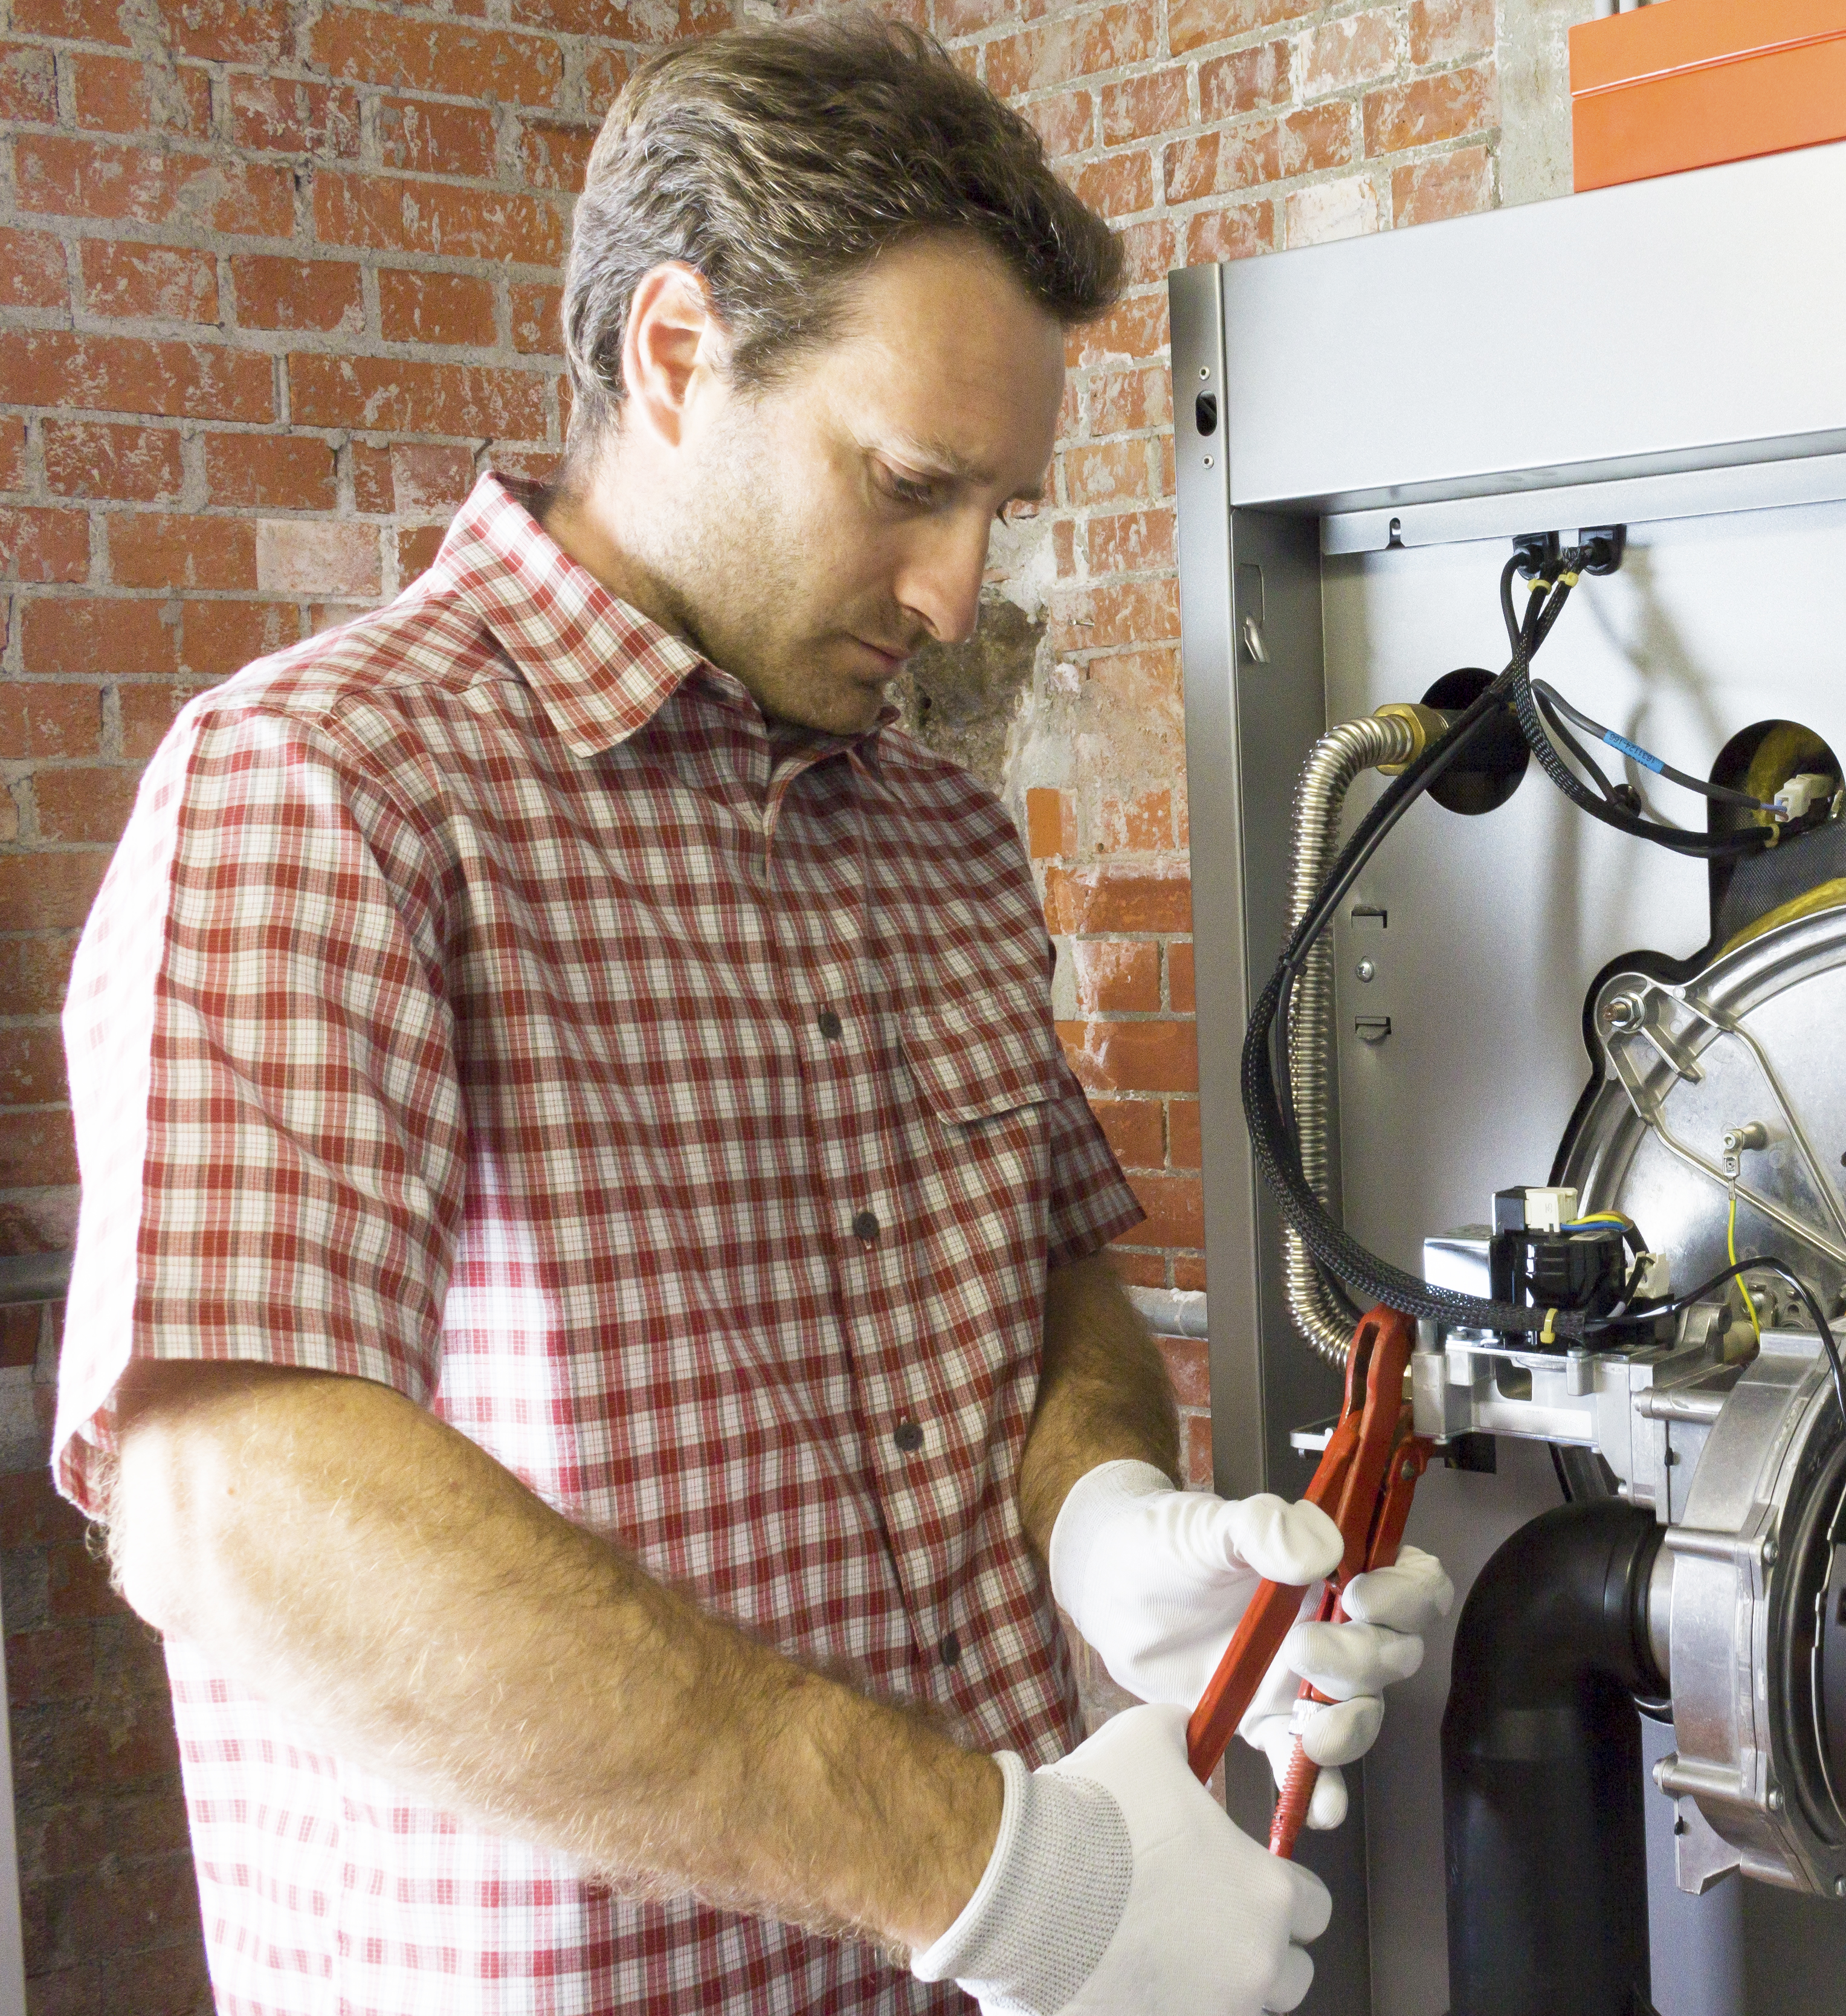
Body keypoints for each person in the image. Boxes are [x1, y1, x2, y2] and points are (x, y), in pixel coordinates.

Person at [50, 18, 1447, 2013]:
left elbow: (1039, 1274)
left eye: (1000, 509)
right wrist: (985, 1868)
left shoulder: (942, 837)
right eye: (907, 484)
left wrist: (1100, 1520)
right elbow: (236, 1508)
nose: (960, 591)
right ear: (677, 357)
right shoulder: (326, 788)